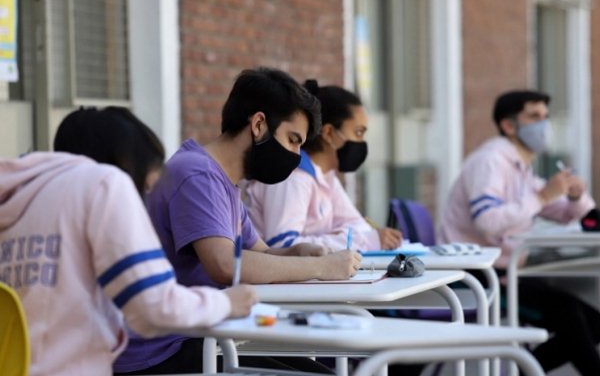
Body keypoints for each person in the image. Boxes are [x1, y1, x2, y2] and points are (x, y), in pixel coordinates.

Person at [113, 68, 361, 374]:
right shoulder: (197, 174)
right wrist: (323, 269)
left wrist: (297, 252)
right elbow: (225, 266)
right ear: (258, 125)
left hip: (200, 335)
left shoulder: (224, 181)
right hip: (164, 350)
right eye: (293, 140)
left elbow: (259, 253)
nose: (296, 156)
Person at [0, 111, 257, 376]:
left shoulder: (22, 197)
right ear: (127, 162)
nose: (146, 197)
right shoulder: (105, 184)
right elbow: (155, 308)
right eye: (147, 185)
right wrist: (227, 303)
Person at [439, 90, 600, 375]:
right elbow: (487, 220)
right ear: (509, 125)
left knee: (588, 322)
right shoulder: (490, 161)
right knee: (569, 314)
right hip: (478, 275)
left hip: (507, 272)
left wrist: (576, 196)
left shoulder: (519, 168)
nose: (544, 125)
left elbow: (564, 213)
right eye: (535, 117)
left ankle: (526, 371)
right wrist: (542, 197)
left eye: (546, 117)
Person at [244, 80, 402, 252]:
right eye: (358, 133)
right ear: (328, 133)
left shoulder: (326, 177)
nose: (361, 142)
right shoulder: (292, 178)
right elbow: (282, 245)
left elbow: (358, 226)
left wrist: (360, 237)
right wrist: (360, 240)